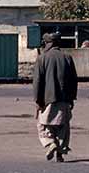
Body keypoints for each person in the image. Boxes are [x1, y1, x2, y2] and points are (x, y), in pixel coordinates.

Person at [33, 32, 78, 162]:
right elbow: (73, 80)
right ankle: (60, 153)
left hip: (47, 99)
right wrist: (71, 98)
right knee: (63, 126)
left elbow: (37, 82)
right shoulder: (67, 57)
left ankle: (50, 143)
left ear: (47, 44)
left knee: (44, 125)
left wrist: (38, 101)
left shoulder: (42, 58)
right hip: (64, 98)